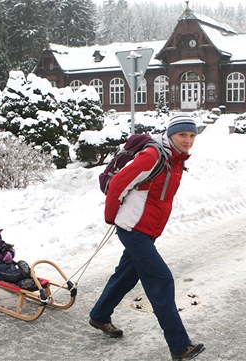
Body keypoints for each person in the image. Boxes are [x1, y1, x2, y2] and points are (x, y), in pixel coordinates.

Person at [89, 116, 205, 360]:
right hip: (133, 229)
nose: (188, 140)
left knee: (126, 276)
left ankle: (99, 315)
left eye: (192, 136)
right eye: (183, 135)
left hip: (146, 230)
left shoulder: (175, 159)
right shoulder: (154, 156)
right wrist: (111, 217)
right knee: (160, 279)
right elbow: (119, 183)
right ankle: (180, 345)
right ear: (171, 134)